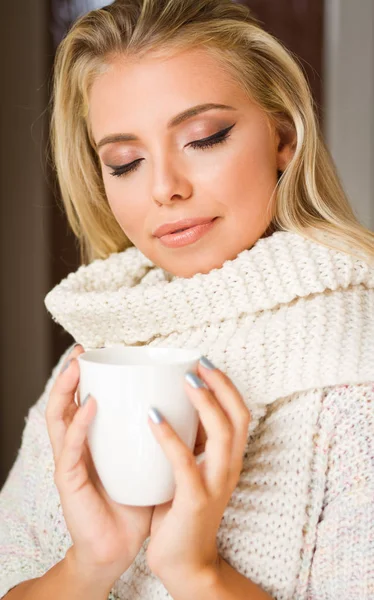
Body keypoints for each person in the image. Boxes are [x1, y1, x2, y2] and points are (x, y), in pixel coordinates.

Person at [1, 0, 374, 598]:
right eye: (124, 162)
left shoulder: (356, 372)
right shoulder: (104, 344)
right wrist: (89, 563)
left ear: (283, 136)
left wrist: (196, 573)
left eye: (205, 137)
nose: (164, 188)